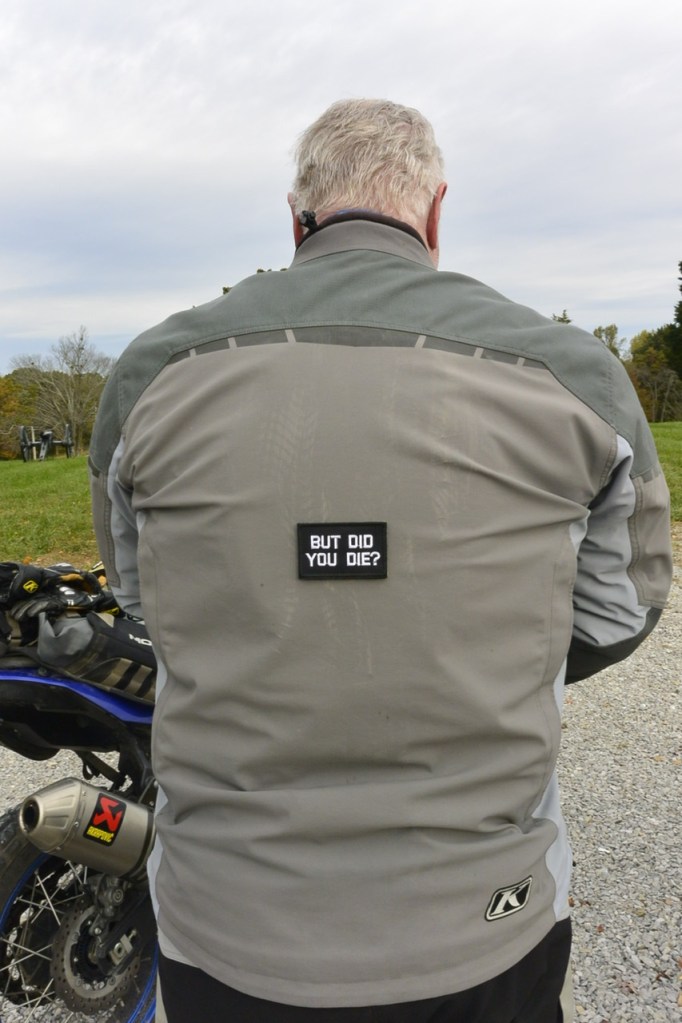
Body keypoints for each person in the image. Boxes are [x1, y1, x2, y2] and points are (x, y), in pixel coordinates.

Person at [89, 99, 673, 1023]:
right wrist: (491, 653)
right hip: (484, 927)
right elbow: (625, 606)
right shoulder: (574, 375)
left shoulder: (150, 376)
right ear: (435, 215)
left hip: (226, 933)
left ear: (297, 221)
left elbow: (142, 597)